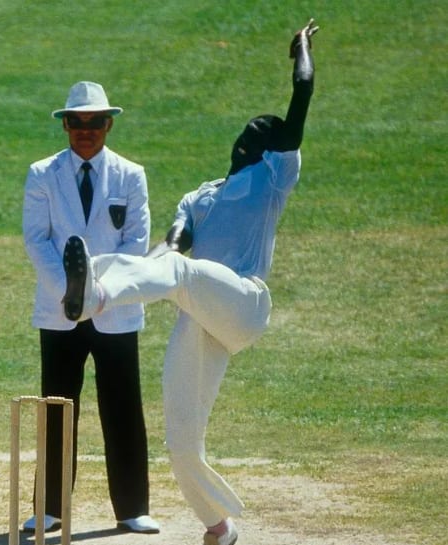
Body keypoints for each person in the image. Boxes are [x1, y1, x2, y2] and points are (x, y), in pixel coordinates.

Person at [61, 20, 319, 545]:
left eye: (265, 129)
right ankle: (218, 527)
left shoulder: (273, 179)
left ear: (272, 149)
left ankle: (97, 290)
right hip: (200, 312)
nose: (256, 127)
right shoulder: (198, 196)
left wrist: (303, 52)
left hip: (244, 302)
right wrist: (143, 275)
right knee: (180, 439)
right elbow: (169, 250)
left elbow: (301, 100)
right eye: (251, 125)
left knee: (175, 275)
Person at [21, 81, 160, 534]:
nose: (85, 131)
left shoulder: (130, 175)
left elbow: (135, 245)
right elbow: (37, 239)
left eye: (94, 122)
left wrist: (96, 294)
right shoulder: (43, 173)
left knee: (122, 406)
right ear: (64, 125)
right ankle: (51, 508)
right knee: (58, 406)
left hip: (115, 309)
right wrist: (71, 291)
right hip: (60, 310)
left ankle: (132, 507)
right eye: (76, 122)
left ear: (108, 124)